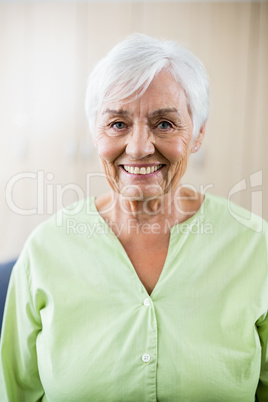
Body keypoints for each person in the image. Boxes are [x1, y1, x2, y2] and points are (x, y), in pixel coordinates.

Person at [0, 33, 267, 401]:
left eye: (164, 124)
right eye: (117, 124)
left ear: (198, 134)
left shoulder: (256, 246)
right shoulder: (45, 250)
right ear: (96, 134)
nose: (140, 147)